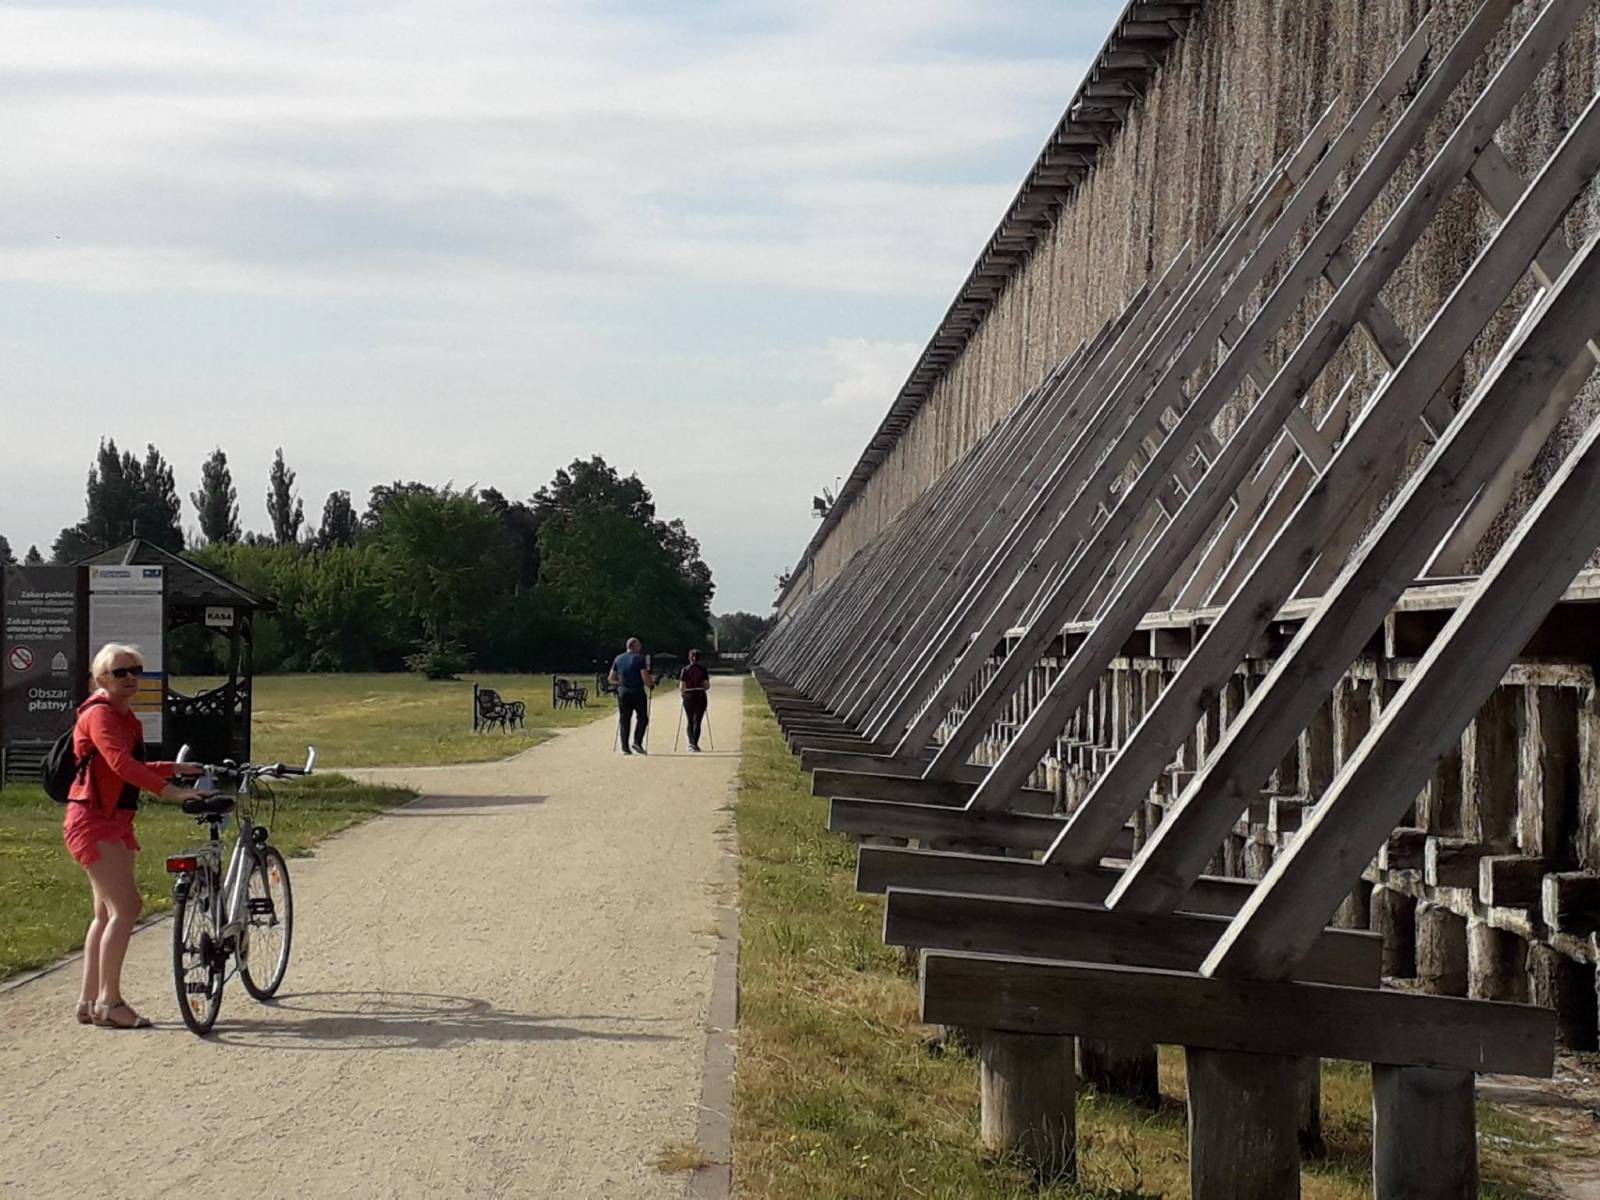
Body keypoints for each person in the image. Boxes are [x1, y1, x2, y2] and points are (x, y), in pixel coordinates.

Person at [65, 643, 209, 1029]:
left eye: (136, 670)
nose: (130, 678)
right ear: (101, 678)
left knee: (105, 913)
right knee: (127, 907)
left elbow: (131, 766)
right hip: (93, 820)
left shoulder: (124, 716)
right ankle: (109, 1003)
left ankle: (89, 1001)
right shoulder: (100, 714)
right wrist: (171, 792)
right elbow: (120, 763)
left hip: (114, 820)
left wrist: (174, 768)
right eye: (120, 672)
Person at [609, 636, 655, 755]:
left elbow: (611, 678)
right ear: (634, 646)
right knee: (643, 718)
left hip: (623, 692)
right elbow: (644, 675)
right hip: (637, 691)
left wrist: (621, 682)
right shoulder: (639, 659)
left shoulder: (618, 658)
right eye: (639, 645)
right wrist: (650, 684)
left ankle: (625, 747)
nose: (640, 647)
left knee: (624, 719)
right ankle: (637, 742)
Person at [678, 648, 710, 752]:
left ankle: (690, 743)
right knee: (697, 720)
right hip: (700, 695)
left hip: (689, 695)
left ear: (689, 658)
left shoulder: (685, 670)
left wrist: (683, 695)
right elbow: (707, 686)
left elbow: (682, 687)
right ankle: (695, 743)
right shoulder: (703, 669)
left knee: (690, 719)